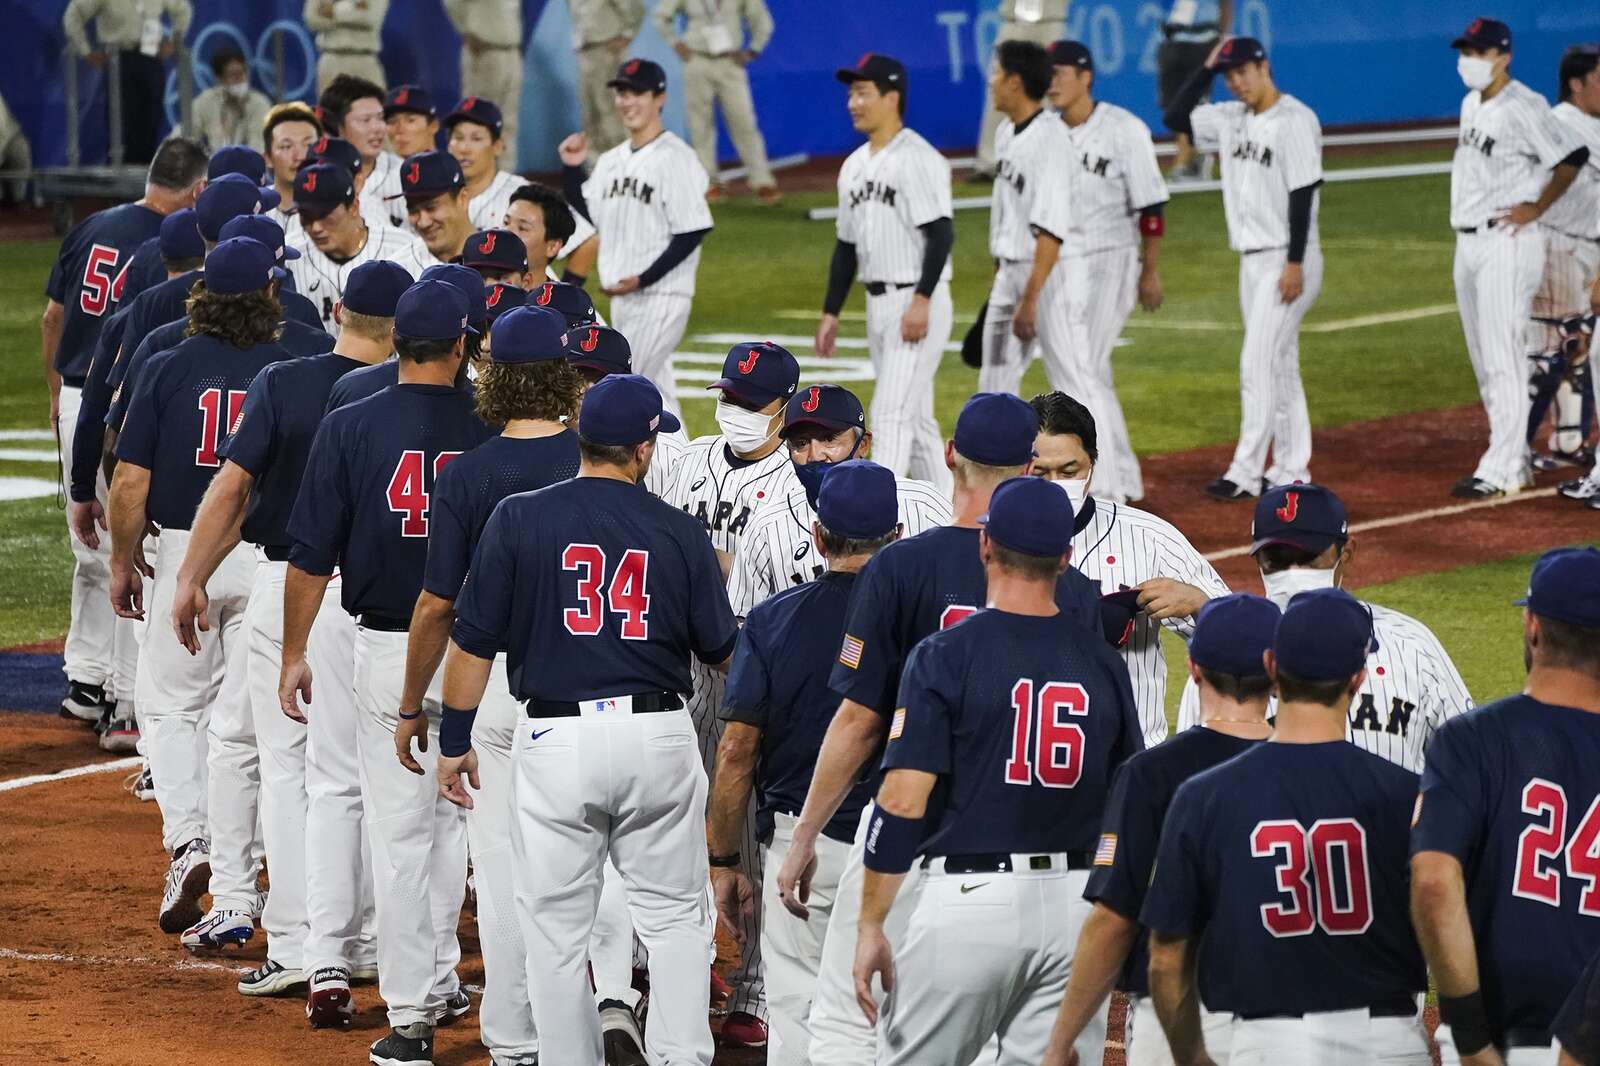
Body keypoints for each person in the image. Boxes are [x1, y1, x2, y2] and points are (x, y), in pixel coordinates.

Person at [773, 392, 1101, 1066]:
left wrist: (805, 833)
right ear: (1031, 468)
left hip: (914, 838)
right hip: (1038, 848)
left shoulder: (902, 565)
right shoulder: (1070, 590)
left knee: (844, 1023)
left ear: (950, 456)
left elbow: (860, 721)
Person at [434, 373, 737, 1066]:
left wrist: (454, 741)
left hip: (555, 739)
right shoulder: (681, 532)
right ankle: (682, 1058)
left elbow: (473, 641)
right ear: (644, 447)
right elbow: (722, 653)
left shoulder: (518, 517)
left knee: (556, 930)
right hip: (657, 736)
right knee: (674, 921)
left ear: (581, 436)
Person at [167, 258, 408, 993]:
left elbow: (234, 488)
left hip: (290, 593)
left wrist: (190, 576)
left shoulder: (287, 382)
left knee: (292, 770)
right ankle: (367, 942)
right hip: (387, 602)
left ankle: (302, 945)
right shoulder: (423, 399)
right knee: (375, 778)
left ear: (338, 314)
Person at [853, 474, 1143, 1065]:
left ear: (986, 545)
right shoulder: (1101, 662)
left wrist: (871, 923)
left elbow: (904, 799)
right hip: (1074, 908)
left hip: (970, 901)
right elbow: (1129, 799)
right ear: (1065, 557)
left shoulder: (943, 654)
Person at [280, 279, 491, 1061]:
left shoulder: (350, 422)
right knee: (476, 829)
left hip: (387, 649)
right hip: (485, 655)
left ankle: (413, 1014)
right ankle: (492, 1003)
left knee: (401, 831)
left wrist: (294, 654)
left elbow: (309, 558)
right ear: (463, 344)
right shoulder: (494, 424)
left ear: (395, 341)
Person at [393, 304, 589, 1066]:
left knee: (503, 866)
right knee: (585, 870)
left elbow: (438, 603)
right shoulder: (597, 458)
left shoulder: (471, 472)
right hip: (589, 681)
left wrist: (417, 705)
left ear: (493, 375)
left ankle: (512, 1039)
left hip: (500, 689)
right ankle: (597, 1021)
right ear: (566, 378)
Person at [1143, 588, 1431, 1066]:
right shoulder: (1410, 795)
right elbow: (1443, 909)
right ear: (1358, 679)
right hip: (1387, 1043)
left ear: (1273, 669)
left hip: (1270, 1042)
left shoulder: (1205, 795)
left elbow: (1167, 955)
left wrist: (1193, 1056)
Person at [106, 237, 289, 938]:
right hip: (273, 562)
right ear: (270, 294)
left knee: (174, 709)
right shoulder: (292, 364)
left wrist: (124, 562)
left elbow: (130, 480)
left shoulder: (167, 363)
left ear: (202, 296)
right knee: (252, 727)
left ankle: (191, 843)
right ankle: (259, 861)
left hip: (189, 554)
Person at [710, 460, 901, 1064]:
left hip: (803, 846)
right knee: (889, 1016)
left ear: (818, 537)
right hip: (899, 845)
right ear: (897, 537)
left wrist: (724, 859)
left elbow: (736, 749)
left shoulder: (771, 619)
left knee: (797, 1015)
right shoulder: (924, 624)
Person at [1041, 594, 1278, 1066]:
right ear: (1277, 671)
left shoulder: (1153, 774)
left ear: (1194, 668)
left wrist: (1060, 1040)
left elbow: (1113, 919)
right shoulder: (1322, 766)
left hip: (1181, 1016)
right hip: (1298, 1018)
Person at [660, 339, 801, 1046]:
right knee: (668, 829)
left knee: (743, 834)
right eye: (728, 397)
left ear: (784, 409)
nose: (734, 411)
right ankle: (678, 966)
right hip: (674, 669)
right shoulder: (684, 463)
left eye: (751, 403)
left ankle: (753, 984)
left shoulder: (798, 484)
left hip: (745, 671)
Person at [1412, 546, 1600, 1065]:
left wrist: (1470, 1041)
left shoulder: (1471, 739)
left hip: (1494, 1044)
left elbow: (1432, 880)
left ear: (1533, 626)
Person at [45, 136, 206, 728]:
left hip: (79, 395)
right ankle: (125, 697)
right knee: (133, 553)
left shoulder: (92, 225)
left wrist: (54, 397)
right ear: (197, 190)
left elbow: (52, 317)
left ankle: (86, 680)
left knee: (92, 552)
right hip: (129, 407)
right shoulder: (168, 251)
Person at [1174, 483, 1471, 770]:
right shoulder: (1221, 659)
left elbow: (1468, 761)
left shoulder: (1412, 645)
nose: (1293, 573)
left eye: (1309, 558)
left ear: (1347, 552)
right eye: (1275, 560)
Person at [1163, 36, 1325, 501]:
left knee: (1256, 361)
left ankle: (1246, 470)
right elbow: (1175, 118)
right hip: (1252, 262)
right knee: (1279, 363)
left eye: (1243, 72)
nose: (1237, 82)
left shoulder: (1295, 120)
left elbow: (1302, 193)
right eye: (1229, 75)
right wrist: (1206, 70)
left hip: (1287, 257)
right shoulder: (1228, 118)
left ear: (1264, 66)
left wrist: (1294, 263)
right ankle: (1292, 469)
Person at [1031, 391, 1228, 744]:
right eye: (1040, 472)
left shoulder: (1149, 538)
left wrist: (1201, 604)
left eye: (1069, 470)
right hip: (1023, 768)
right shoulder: (986, 542)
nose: (1055, 484)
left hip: (1132, 765)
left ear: (1092, 462)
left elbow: (1244, 640)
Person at [1447, 17, 1588, 500]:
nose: (1470, 59)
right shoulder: (1471, 103)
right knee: (1486, 358)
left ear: (1503, 56)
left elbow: (1572, 155)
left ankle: (1503, 465)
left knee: (1504, 353)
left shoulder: (1523, 105)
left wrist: (1537, 207)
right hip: (1469, 242)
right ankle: (1511, 456)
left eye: (1480, 52)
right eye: (1466, 50)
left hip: (1506, 241)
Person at [820, 53, 954, 494]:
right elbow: (845, 245)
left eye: (862, 93)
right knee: (916, 417)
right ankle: (954, 516)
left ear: (891, 97)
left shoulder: (918, 158)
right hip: (878, 304)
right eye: (850, 94)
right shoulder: (855, 165)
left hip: (914, 299)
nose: (852, 103)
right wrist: (831, 312)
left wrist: (922, 299)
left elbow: (940, 233)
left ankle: (876, 513)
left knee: (891, 412)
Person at [1048, 41, 1169, 504]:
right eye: (1048, 73)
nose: (1053, 82)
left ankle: (1113, 483)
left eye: (1061, 72)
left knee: (1083, 369)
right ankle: (1125, 477)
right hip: (1064, 264)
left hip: (1111, 261)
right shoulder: (1048, 132)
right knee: (1090, 370)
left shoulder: (1123, 129)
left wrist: (1149, 271)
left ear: (1086, 76)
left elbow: (1152, 206)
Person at [560, 58, 714, 416]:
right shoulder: (611, 160)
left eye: (637, 93)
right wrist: (571, 169)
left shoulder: (677, 157)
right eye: (622, 93)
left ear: (660, 97)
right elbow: (587, 214)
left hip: (661, 295)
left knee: (623, 385)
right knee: (657, 392)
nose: (627, 102)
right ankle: (679, 465)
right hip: (624, 297)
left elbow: (693, 230)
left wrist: (644, 278)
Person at [726, 383, 952, 615]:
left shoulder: (924, 506)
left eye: (829, 439)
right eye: (801, 443)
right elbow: (741, 623)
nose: (815, 455)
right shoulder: (766, 528)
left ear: (862, 443)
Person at [974, 41, 1075, 401]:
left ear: (1015, 82)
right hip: (1009, 273)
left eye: (997, 72)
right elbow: (1006, 214)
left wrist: (1031, 297)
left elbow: (1051, 226)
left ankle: (1097, 458)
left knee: (1070, 377)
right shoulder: (1006, 133)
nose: (992, 82)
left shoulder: (1051, 138)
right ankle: (997, 458)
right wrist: (999, 274)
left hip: (1045, 276)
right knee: (993, 382)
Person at [1536, 46, 1600, 483]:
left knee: (1577, 348)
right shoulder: (1560, 125)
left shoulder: (1591, 125)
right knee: (1561, 347)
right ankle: (1531, 441)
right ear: (1576, 84)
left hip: (1587, 245)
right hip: (1561, 246)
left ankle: (1570, 437)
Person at [652, 0, 781, 204]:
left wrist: (754, 49)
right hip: (697, 60)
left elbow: (762, 21)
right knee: (700, 126)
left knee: (744, 123)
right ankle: (709, 183)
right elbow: (661, 15)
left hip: (730, 62)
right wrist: (675, 43)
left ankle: (762, 181)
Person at [286, 161, 431, 327]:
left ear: (354, 206)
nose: (316, 227)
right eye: (307, 216)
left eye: (324, 215)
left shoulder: (402, 246)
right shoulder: (291, 255)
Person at [62, 0, 192, 164]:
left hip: (151, 56)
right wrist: (86, 51)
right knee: (122, 124)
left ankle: (147, 177)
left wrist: (173, 42)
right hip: (119, 58)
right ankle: (119, 177)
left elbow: (183, 9)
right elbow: (73, 15)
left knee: (151, 121)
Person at [971, 0, 1067, 182]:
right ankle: (989, 163)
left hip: (1051, 20)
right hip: (1014, 20)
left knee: (1048, 91)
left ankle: (1042, 158)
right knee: (1000, 88)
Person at [320, 74, 409, 230]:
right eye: (365, 120)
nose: (378, 128)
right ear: (337, 128)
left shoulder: (404, 173)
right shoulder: (317, 175)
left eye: (381, 118)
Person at [1156, 0, 1231, 180]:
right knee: (1172, 107)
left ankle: (1183, 163)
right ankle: (1197, 157)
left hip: (1202, 41)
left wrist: (1221, 35)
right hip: (1171, 42)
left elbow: (1226, 3)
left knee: (1192, 104)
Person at [443, 0, 524, 159]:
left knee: (508, 124)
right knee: (479, 122)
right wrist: (466, 31)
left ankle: (505, 177)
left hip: (511, 49)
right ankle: (477, 179)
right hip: (484, 51)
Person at [570, 0, 645, 158]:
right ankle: (596, 172)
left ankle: (624, 167)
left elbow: (635, 8)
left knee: (612, 111)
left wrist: (627, 35)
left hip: (607, 50)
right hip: (584, 49)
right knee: (590, 113)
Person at [445, 97, 528, 230]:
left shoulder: (523, 194)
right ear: (448, 146)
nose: (465, 149)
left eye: (476, 138)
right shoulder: (436, 195)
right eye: (458, 138)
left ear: (498, 146)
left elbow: (573, 244)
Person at [502, 182, 598, 285]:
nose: (506, 232)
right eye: (506, 222)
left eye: (523, 228)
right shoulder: (483, 292)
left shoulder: (560, 300)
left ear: (552, 247)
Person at [399, 149, 475, 263]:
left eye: (431, 208)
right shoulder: (401, 271)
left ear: (462, 199)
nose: (423, 223)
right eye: (413, 211)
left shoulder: (501, 260)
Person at [260, 102, 323, 241]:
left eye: (309, 145)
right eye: (286, 146)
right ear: (268, 158)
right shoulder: (254, 212)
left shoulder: (342, 210)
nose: (299, 156)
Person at [192, 47, 271, 150]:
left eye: (243, 73)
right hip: (215, 163)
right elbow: (185, 134)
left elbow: (258, 149)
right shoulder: (207, 101)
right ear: (220, 80)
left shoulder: (259, 104)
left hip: (248, 164)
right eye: (233, 75)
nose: (241, 79)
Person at [304, 0, 388, 93]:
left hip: (364, 60)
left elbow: (369, 18)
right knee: (330, 106)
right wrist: (353, 8)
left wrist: (332, 11)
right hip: (331, 59)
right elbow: (311, 19)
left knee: (376, 105)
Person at [383, 84, 439, 159]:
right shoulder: (378, 169)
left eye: (410, 120)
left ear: (433, 126)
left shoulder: (454, 169)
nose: (400, 129)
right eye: (392, 121)